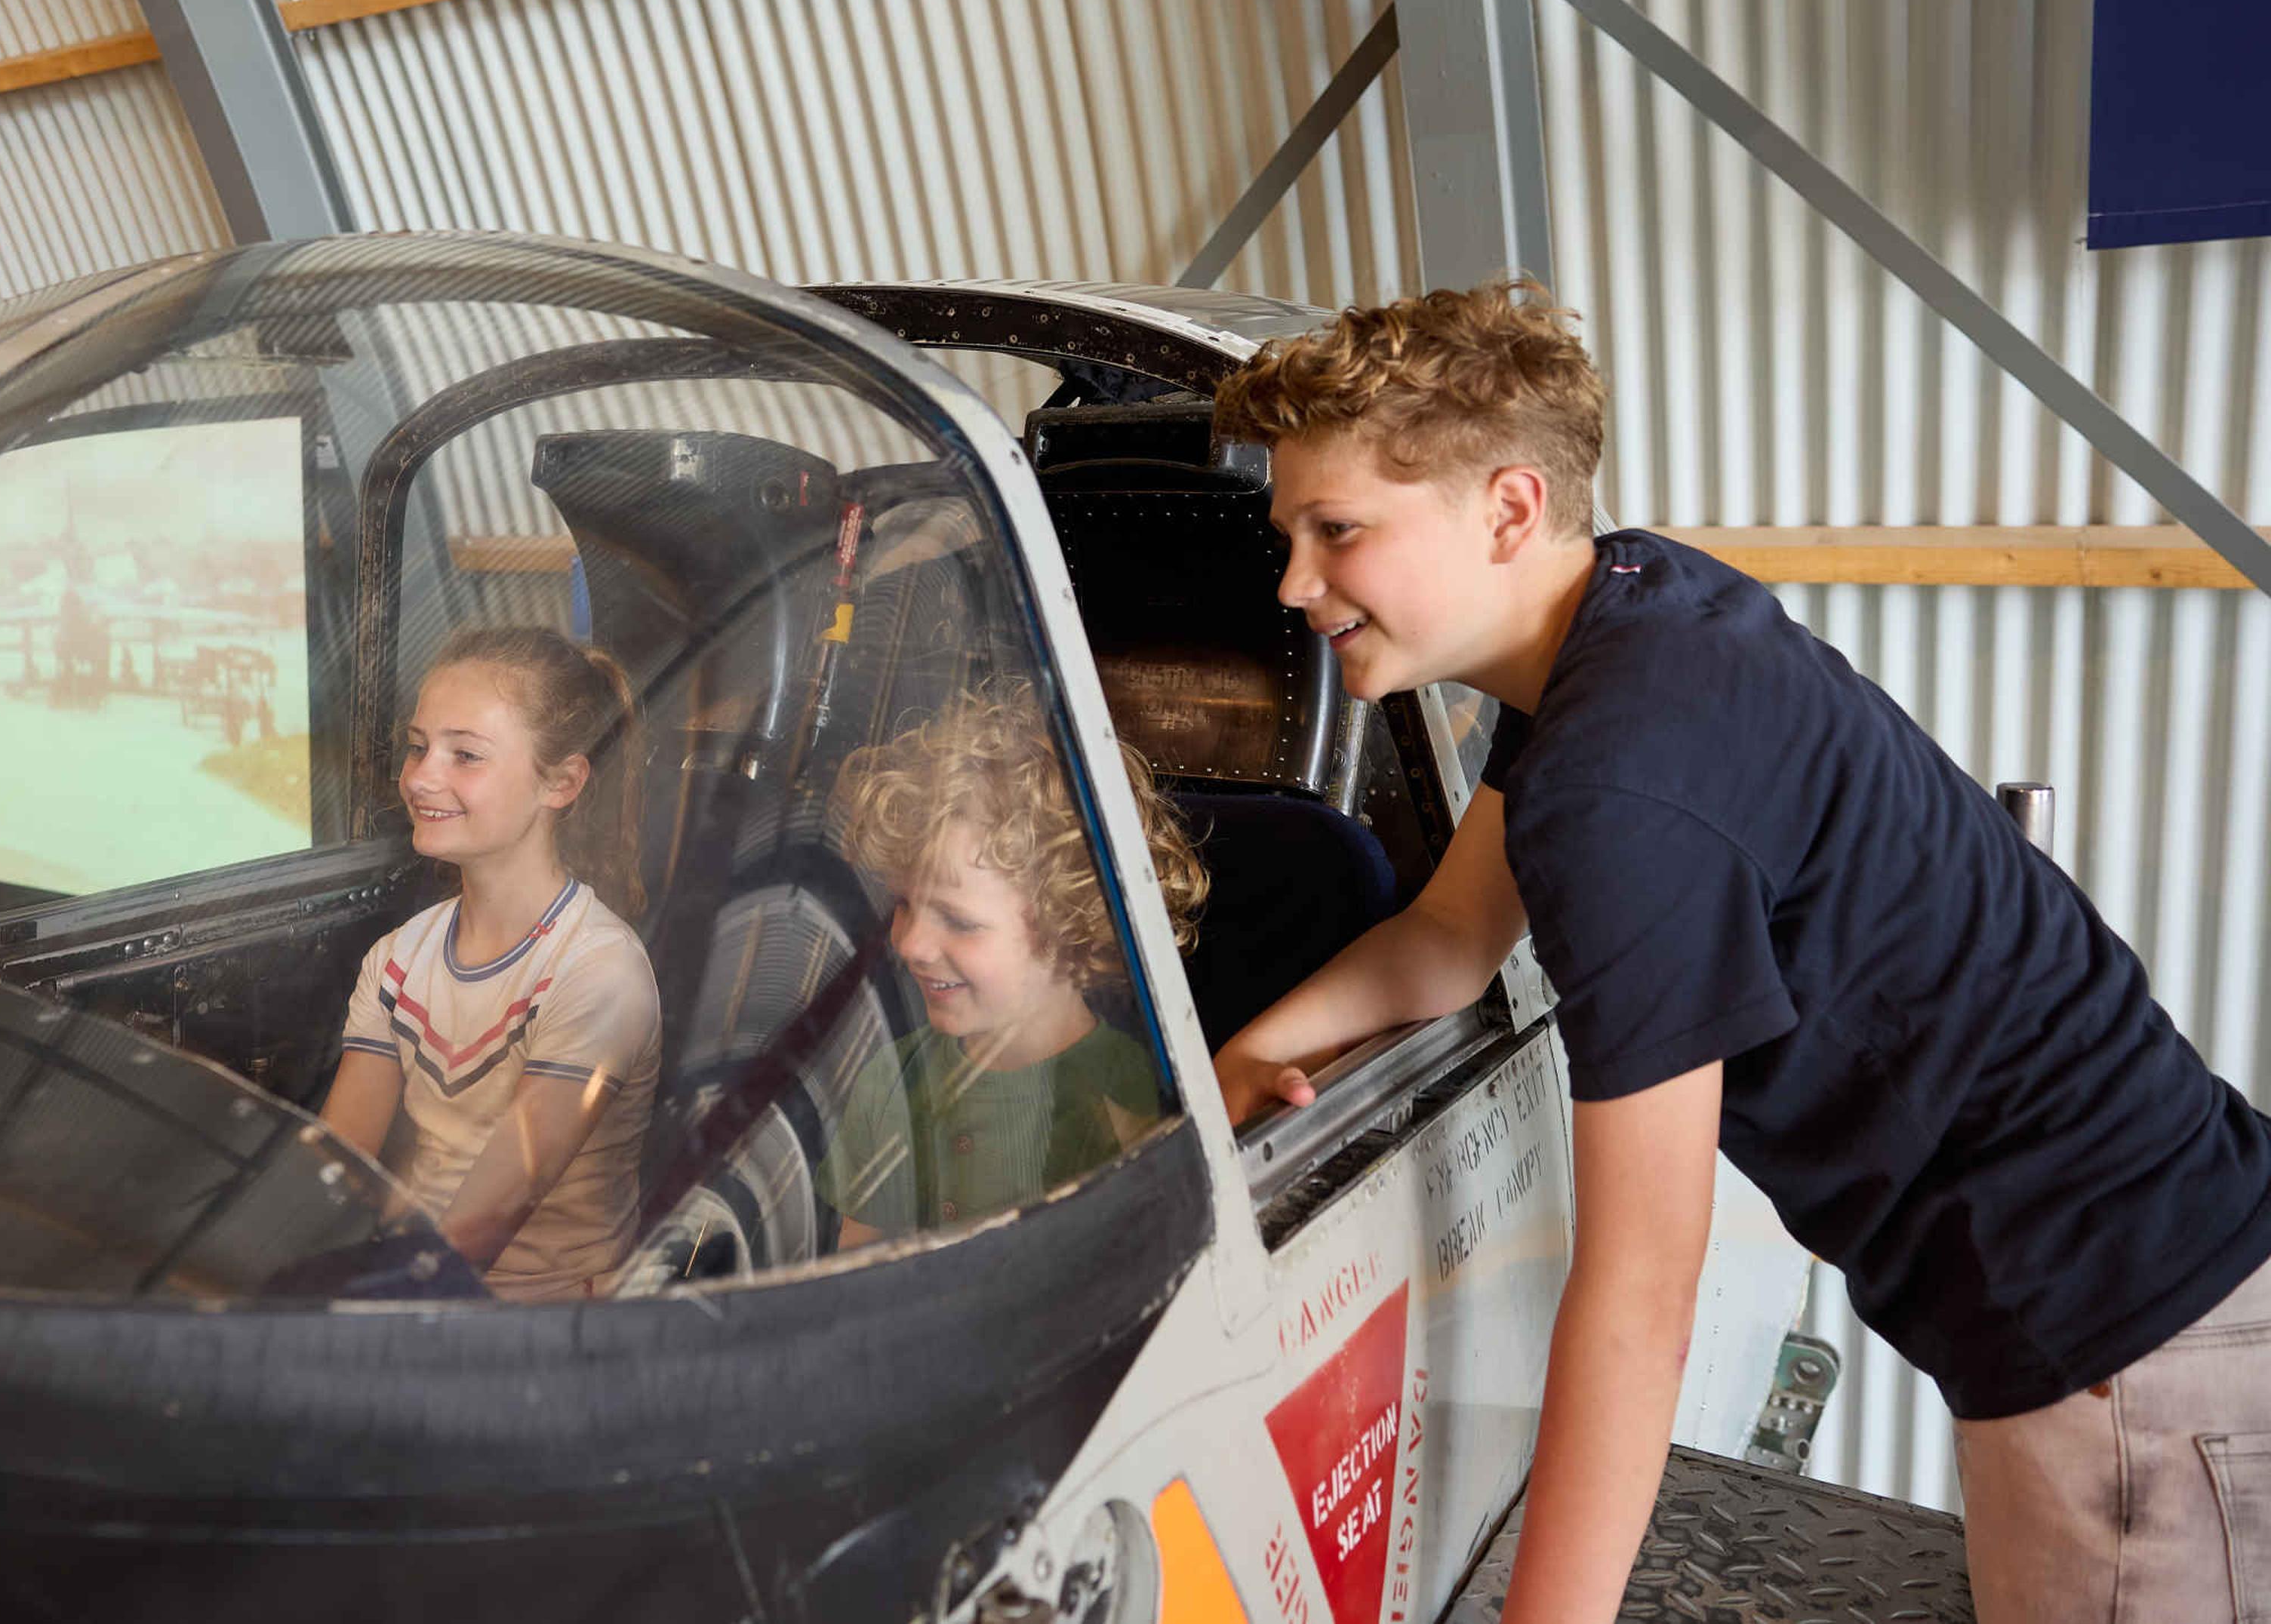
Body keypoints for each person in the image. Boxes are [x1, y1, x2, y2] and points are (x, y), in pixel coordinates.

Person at [1205, 279, 2271, 1623]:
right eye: (1289, 534)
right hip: (2133, 1299)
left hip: (2131, 1355)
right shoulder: (1627, 616)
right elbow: (1450, 940)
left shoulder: (1619, 783)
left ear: (1511, 506)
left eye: (1337, 531)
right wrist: (1242, 1059)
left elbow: (1644, 1292)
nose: (1296, 583)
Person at [322, 626, 662, 1302]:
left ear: (561, 782)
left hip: (544, 1325)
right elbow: (333, 1177)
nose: (420, 777)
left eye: (465, 756)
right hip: (417, 1288)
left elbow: (477, 1231)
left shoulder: (597, 973)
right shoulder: (397, 959)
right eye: (418, 747)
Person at [820, 686, 1207, 1246]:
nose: (910, 944)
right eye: (903, 904)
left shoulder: (1137, 1098)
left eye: (959, 921)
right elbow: (857, 1272)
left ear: (1073, 926)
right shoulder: (892, 1080)